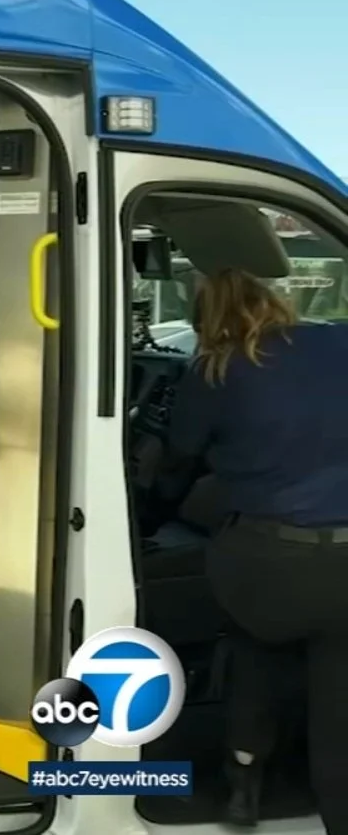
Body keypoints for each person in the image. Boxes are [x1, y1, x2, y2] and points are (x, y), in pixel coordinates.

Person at [158, 267, 348, 830]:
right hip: (344, 565)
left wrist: (157, 504)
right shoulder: (335, 341)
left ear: (204, 320)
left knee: (253, 650)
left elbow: (177, 465)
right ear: (274, 301)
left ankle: (244, 782)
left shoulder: (212, 370)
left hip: (263, 567)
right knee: (339, 700)